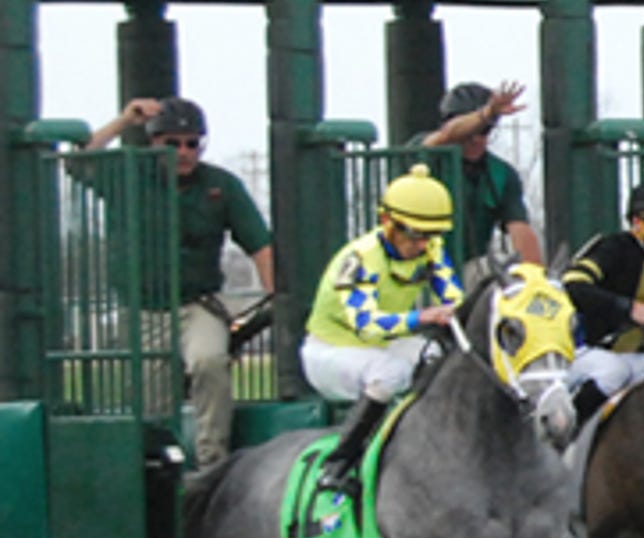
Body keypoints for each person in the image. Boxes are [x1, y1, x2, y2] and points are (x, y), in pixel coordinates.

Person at [77, 97, 275, 468]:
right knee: (151, 403)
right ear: (153, 142)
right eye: (173, 143)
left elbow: (260, 245)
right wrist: (123, 122)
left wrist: (273, 295)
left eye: (192, 143)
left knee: (210, 361)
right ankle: (157, 471)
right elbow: (78, 160)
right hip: (144, 309)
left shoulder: (221, 185)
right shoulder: (125, 175)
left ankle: (212, 463)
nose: (183, 152)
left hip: (197, 304)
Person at [298, 164, 463, 456]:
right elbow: (366, 323)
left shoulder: (431, 250)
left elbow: (453, 297)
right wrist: (421, 317)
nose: (422, 243)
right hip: (330, 351)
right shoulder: (360, 259)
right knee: (390, 372)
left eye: (432, 234)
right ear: (388, 221)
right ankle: (345, 455)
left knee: (438, 358)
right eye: (414, 234)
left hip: (381, 346)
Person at [558, 176, 644, 425]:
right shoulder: (614, 247)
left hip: (636, 357)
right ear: (637, 223)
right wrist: (628, 309)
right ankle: (564, 434)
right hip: (583, 351)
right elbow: (573, 285)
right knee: (613, 372)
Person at [421, 80, 542, 271]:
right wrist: (486, 115)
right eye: (469, 132)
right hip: (418, 270)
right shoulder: (426, 154)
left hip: (469, 270)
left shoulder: (502, 173)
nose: (476, 139)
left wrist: (534, 277)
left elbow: (520, 229)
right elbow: (445, 136)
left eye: (484, 131)